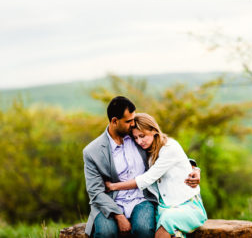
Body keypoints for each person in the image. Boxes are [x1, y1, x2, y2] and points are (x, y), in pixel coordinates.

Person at [83, 96, 201, 238]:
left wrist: (193, 168)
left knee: (143, 229)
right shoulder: (92, 151)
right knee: (105, 232)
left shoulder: (136, 136)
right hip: (111, 201)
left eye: (133, 119)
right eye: (128, 121)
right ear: (114, 121)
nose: (133, 124)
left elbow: (163, 151)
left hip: (141, 198)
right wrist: (119, 216)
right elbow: (95, 191)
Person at [103, 113, 207, 238]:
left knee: (166, 222)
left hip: (187, 205)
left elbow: (147, 179)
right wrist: (194, 167)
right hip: (163, 206)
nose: (139, 141)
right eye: (135, 138)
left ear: (154, 130)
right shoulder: (147, 149)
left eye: (142, 136)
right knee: (162, 227)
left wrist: (113, 186)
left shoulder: (169, 147)